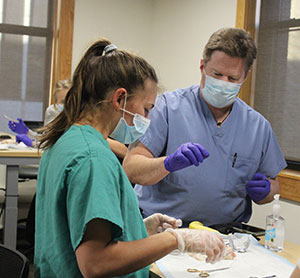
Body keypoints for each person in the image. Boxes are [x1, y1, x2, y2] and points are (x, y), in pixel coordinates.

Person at [34, 39, 225, 278]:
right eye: (146, 109)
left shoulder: (65, 141)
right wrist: (176, 239)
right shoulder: (93, 159)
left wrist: (138, 229)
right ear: (119, 99)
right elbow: (96, 263)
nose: (148, 118)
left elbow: (73, 232)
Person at [122, 27, 287, 228]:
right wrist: (167, 164)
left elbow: (274, 185)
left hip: (224, 237)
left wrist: (266, 191)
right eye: (216, 74)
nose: (223, 83)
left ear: (246, 76)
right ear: (202, 66)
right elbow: (131, 168)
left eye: (232, 78)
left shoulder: (258, 127)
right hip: (165, 230)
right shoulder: (166, 108)